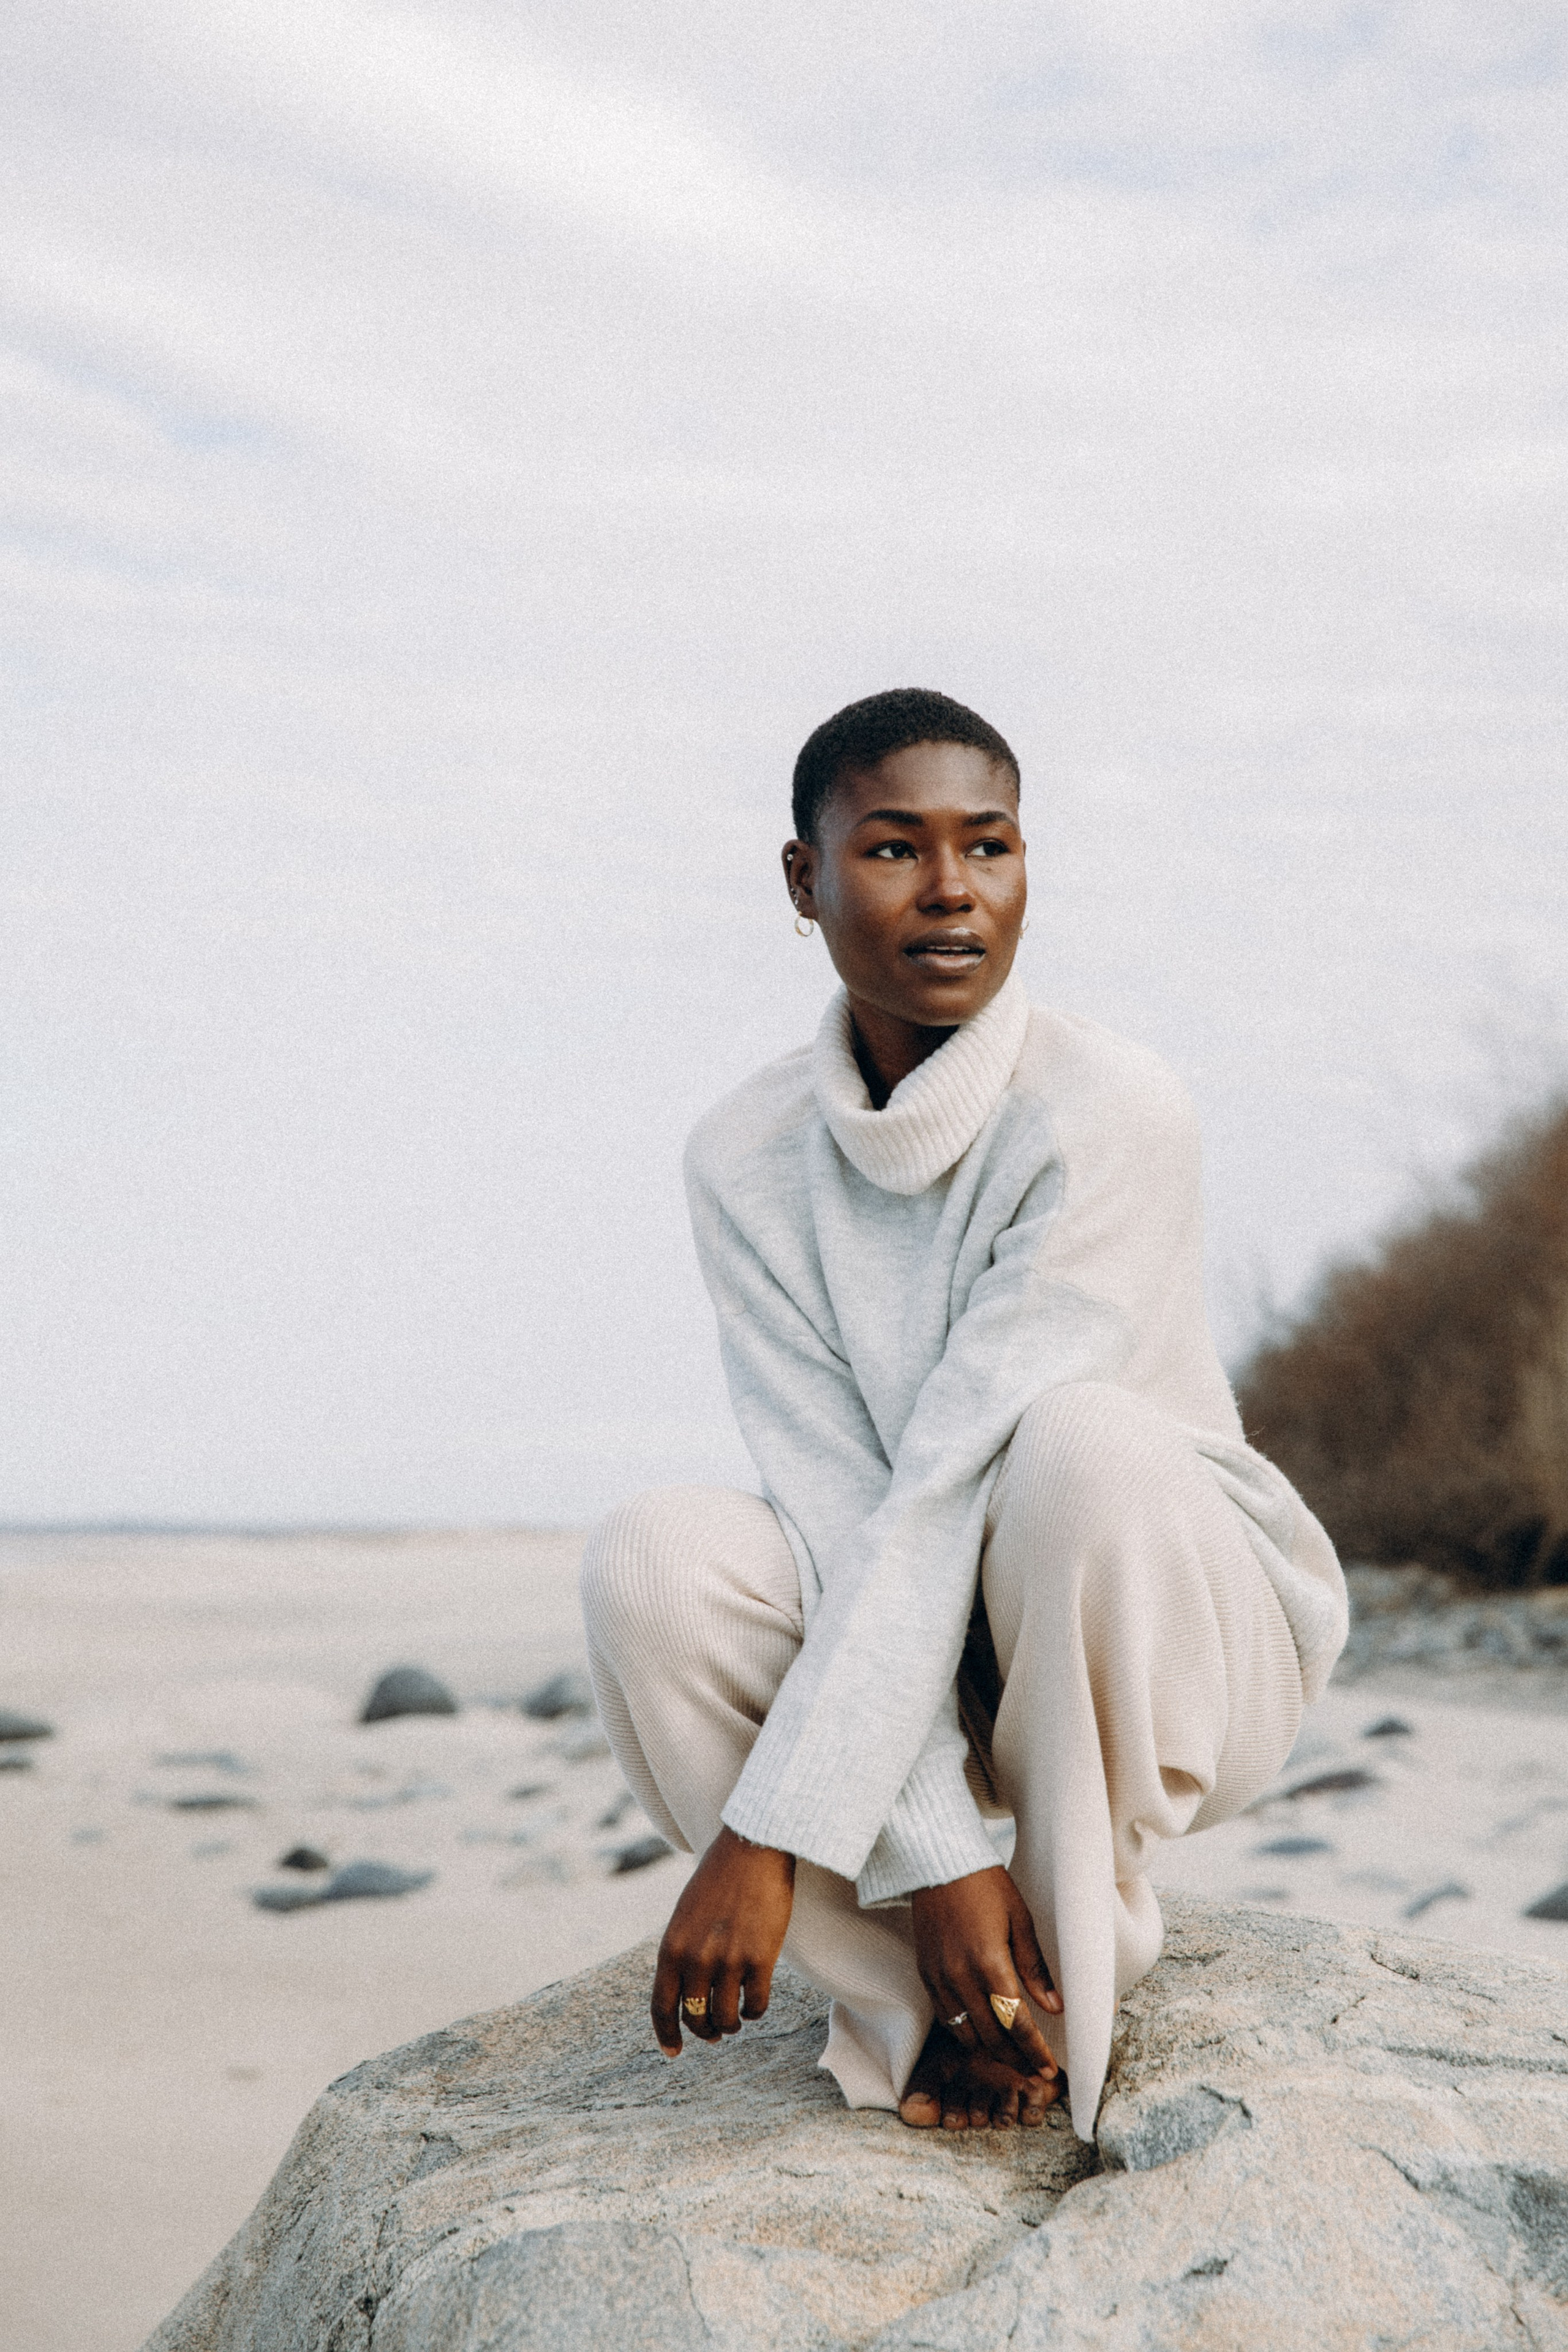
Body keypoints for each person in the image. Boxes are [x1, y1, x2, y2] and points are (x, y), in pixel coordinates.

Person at [581, 688, 1347, 2138]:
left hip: (1163, 1629)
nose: (950, 891)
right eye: (891, 849)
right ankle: (925, 2002)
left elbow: (954, 1477)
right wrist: (937, 1855)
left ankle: (1062, 1979)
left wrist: (763, 1833)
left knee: (1071, 1439)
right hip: (928, 1642)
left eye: (986, 847)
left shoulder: (1109, 1105)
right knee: (653, 1559)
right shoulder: (744, 1155)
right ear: (802, 882)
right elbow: (837, 1501)